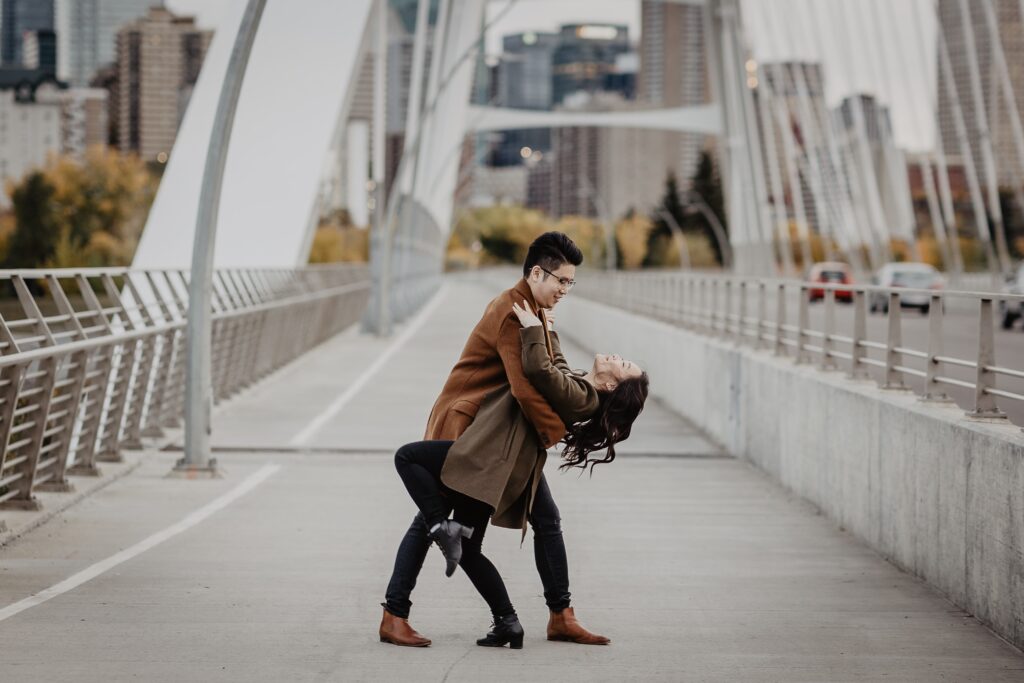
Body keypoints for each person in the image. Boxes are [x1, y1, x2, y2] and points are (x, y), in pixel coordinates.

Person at [377, 231, 637, 648]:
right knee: (440, 525)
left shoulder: (533, 310)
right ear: (537, 273)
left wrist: (550, 342)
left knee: (541, 520)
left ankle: (559, 615)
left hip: (506, 438)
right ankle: (395, 614)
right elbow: (528, 388)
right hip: (473, 430)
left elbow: (553, 370)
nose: (565, 290)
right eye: (561, 281)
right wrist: (558, 432)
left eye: (571, 283)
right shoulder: (514, 312)